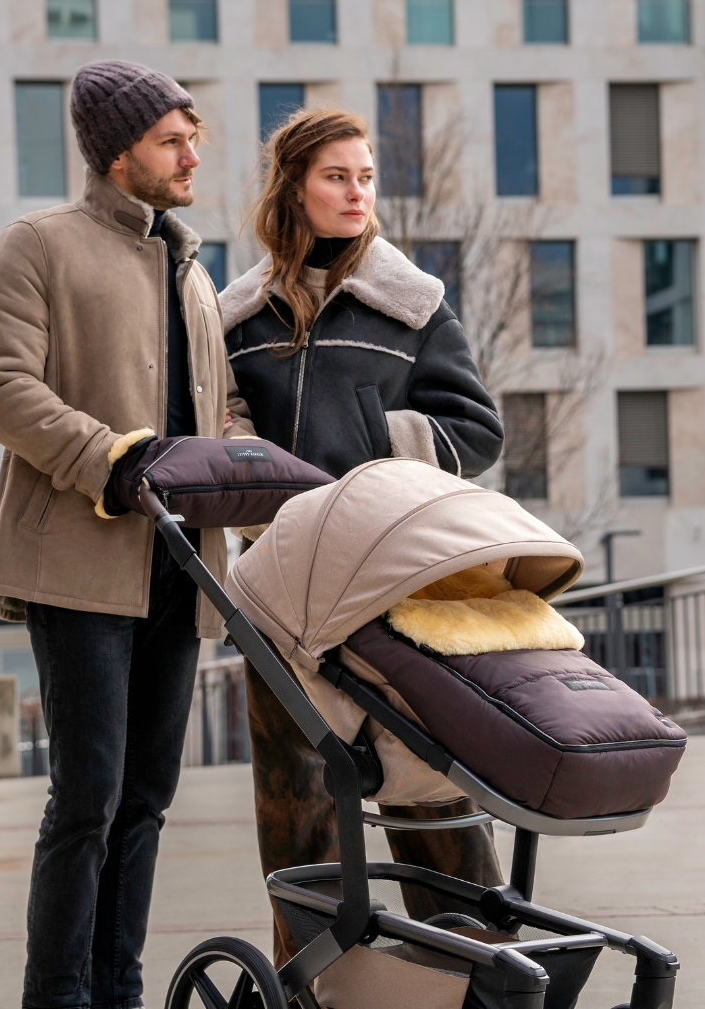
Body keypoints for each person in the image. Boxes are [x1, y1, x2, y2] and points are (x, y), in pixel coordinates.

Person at [0, 60, 252, 1009]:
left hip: (180, 568)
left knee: (146, 802)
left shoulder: (189, 267)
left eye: (191, 138)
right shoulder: (38, 245)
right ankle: (58, 996)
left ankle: (117, 991)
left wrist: (243, 465)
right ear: (117, 152)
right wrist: (112, 460)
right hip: (79, 567)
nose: (190, 155)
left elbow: (222, 405)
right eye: (172, 140)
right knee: (85, 800)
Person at [220, 107, 505, 965]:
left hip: (392, 581)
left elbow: (478, 430)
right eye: (336, 176)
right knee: (295, 804)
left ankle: (479, 970)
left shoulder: (411, 304)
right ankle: (317, 981)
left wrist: (370, 452)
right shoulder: (239, 318)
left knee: (424, 785)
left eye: (366, 176)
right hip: (278, 590)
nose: (356, 193)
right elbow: (223, 421)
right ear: (294, 190)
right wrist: (252, 473)